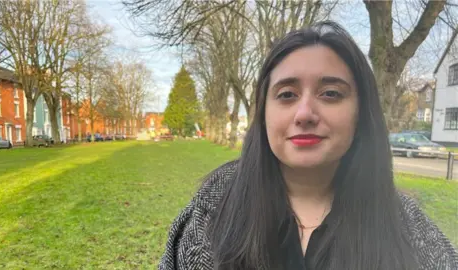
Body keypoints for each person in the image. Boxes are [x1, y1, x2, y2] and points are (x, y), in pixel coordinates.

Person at [158, 21, 458, 270]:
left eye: (330, 93)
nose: (304, 114)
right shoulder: (209, 215)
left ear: (361, 114)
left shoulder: (412, 231)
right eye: (287, 95)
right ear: (263, 114)